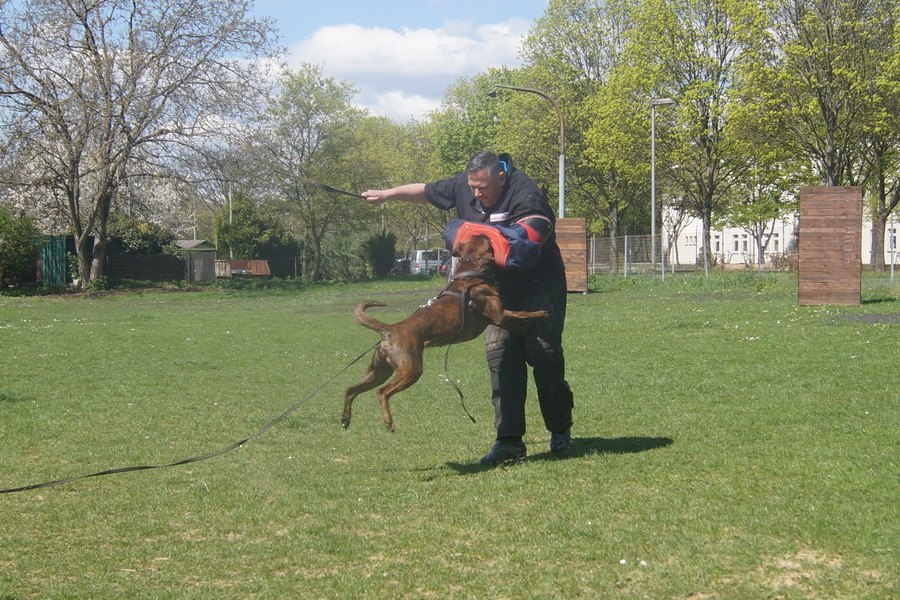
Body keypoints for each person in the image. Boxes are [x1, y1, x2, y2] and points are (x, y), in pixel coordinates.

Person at [362, 151, 574, 466]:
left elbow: (530, 238)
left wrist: (482, 234)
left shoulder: (526, 193)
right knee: (501, 354)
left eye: (482, 188)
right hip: (492, 288)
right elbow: (426, 191)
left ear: (501, 177)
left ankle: (559, 427)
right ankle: (509, 441)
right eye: (472, 187)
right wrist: (386, 195)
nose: (475, 194)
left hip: (538, 282)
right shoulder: (466, 184)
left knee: (542, 352)